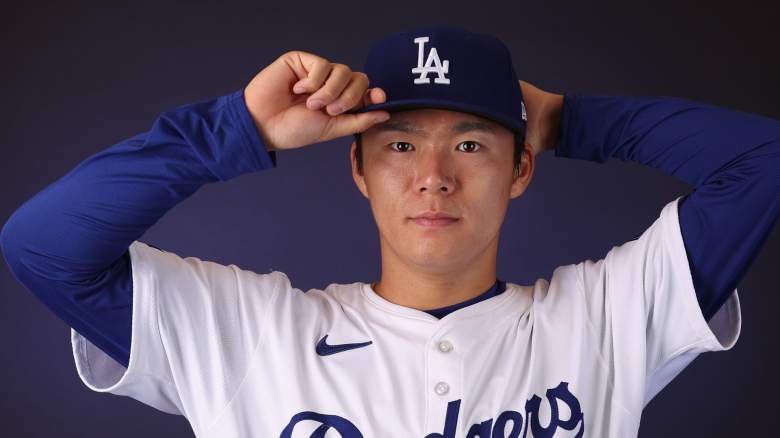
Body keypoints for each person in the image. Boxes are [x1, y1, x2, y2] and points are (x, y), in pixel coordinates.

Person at [1, 25, 777, 437]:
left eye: (470, 145)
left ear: (521, 168)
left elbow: (763, 161)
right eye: (401, 145)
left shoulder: (608, 318)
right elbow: (44, 246)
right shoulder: (247, 335)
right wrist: (234, 130)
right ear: (360, 169)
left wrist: (571, 120)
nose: (433, 176)